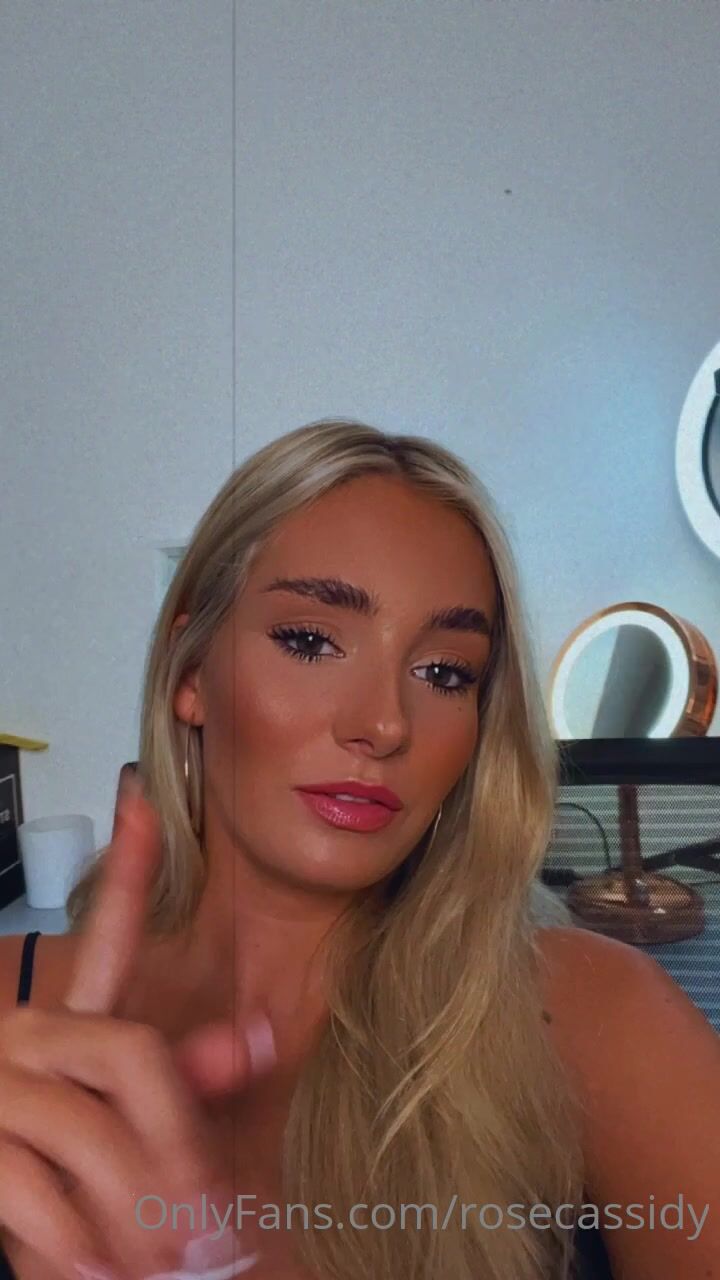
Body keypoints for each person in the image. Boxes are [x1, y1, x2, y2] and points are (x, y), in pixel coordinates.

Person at [0, 419, 718, 1280]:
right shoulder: (11, 1008)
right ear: (191, 675)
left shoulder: (600, 1017)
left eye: (445, 673)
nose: (382, 724)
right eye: (310, 642)